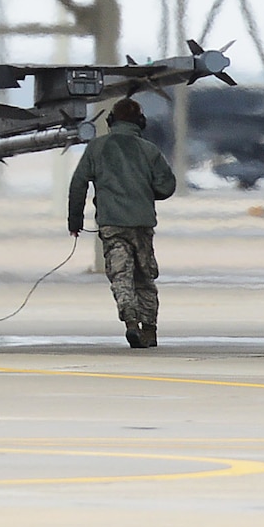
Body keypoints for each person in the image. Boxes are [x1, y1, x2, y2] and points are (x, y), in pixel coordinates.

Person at [68, 96, 178, 349]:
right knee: (144, 277)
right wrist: (144, 191)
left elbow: (78, 185)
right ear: (140, 122)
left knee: (120, 274)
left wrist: (75, 220)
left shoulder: (96, 148)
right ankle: (149, 330)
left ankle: (130, 321)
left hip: (112, 224)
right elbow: (167, 186)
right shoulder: (149, 150)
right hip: (142, 224)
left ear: (111, 121)